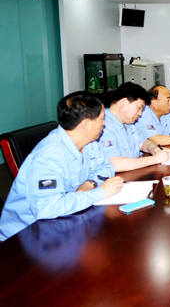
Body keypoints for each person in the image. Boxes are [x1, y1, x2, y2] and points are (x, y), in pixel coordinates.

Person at [0, 92, 123, 241]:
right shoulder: (48, 156)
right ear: (85, 124)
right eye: (102, 118)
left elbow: (106, 167)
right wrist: (100, 193)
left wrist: (89, 184)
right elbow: (47, 208)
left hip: (66, 221)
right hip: (25, 237)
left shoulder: (88, 142)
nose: (104, 123)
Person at [99, 82, 170, 171]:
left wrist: (153, 149)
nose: (140, 113)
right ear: (124, 102)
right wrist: (155, 159)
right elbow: (115, 164)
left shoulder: (128, 123)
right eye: (139, 108)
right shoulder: (102, 125)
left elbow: (143, 143)